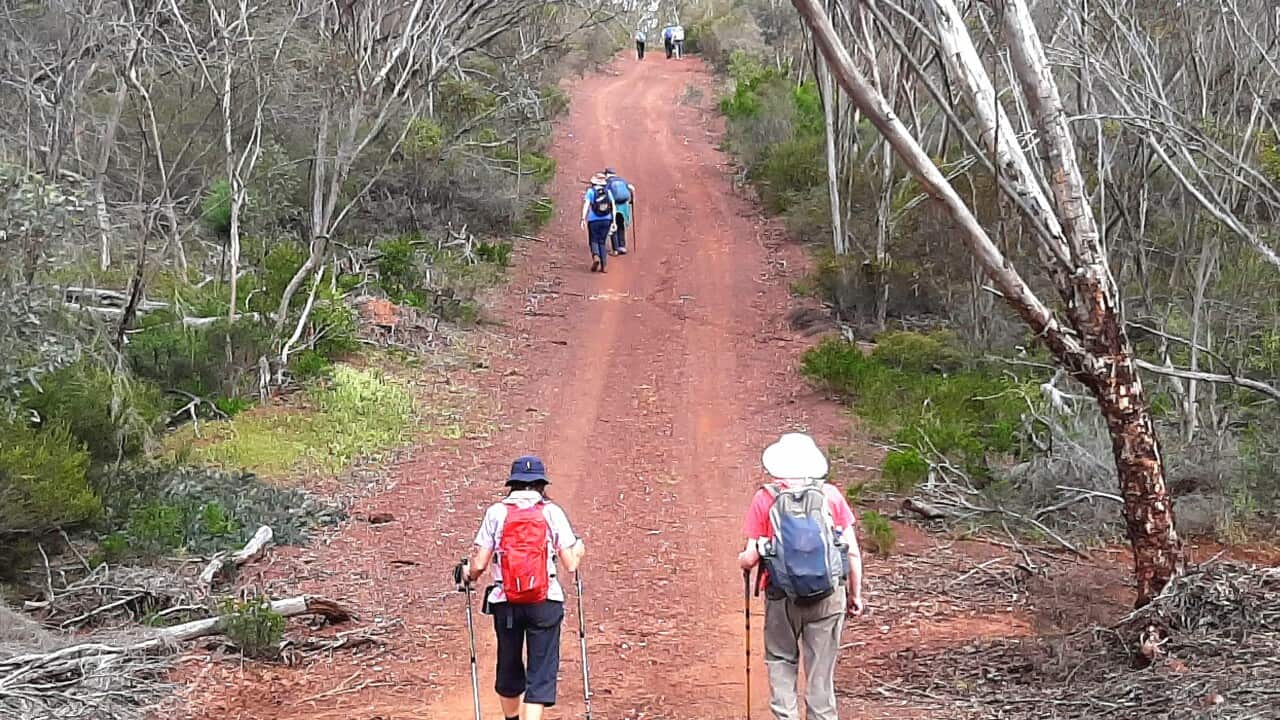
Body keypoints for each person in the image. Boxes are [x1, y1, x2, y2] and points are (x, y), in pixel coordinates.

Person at [738, 433, 864, 720]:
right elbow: (852, 553)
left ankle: (786, 715)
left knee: (781, 659)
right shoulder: (831, 496)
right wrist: (855, 595)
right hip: (828, 597)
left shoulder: (765, 498)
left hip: (782, 597)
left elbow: (751, 557)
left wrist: (742, 560)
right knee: (821, 672)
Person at [458, 456, 586, 720]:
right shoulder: (552, 512)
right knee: (539, 674)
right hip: (545, 602)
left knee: (509, 668)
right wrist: (579, 549)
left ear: (512, 484)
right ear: (541, 484)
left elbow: (479, 564)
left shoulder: (496, 512)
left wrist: (466, 573)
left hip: (506, 603)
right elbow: (571, 564)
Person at [580, 173, 615, 273]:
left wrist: (583, 218)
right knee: (602, 242)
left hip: (593, 220)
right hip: (606, 219)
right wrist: (614, 221)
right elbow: (613, 206)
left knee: (593, 240)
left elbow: (586, 205)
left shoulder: (591, 191)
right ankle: (604, 266)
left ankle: (596, 256)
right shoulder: (608, 192)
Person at [603, 168, 635, 255]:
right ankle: (622, 246)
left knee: (613, 225)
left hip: (614, 206)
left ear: (607, 174)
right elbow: (632, 188)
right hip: (623, 206)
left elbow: (606, 194)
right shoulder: (622, 180)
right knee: (621, 225)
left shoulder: (608, 182)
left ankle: (616, 249)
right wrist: (632, 200)